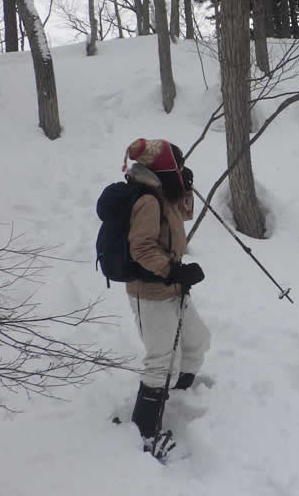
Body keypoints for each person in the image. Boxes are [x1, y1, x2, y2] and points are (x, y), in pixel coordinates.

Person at [122, 138, 211, 445]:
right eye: (178, 166)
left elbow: (182, 215)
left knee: (197, 341)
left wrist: (185, 187)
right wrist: (173, 270)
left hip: (171, 286)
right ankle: (146, 434)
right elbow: (141, 247)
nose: (181, 169)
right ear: (164, 168)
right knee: (161, 360)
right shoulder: (147, 200)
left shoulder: (162, 192)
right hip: (150, 291)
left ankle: (176, 398)